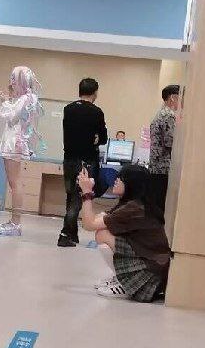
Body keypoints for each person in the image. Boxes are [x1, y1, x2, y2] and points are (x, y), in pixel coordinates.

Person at [77, 163, 171, 301]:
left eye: (121, 178)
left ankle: (126, 284)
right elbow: (94, 220)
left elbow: (89, 224)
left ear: (132, 184)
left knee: (102, 234)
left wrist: (86, 192)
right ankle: (122, 278)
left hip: (150, 275)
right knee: (103, 231)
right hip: (155, 268)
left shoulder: (134, 209)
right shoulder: (135, 205)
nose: (116, 180)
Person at [58, 78, 108, 247]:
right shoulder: (97, 112)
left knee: (71, 195)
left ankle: (72, 234)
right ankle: (65, 234)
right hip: (87, 160)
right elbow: (103, 138)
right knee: (79, 198)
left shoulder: (68, 109)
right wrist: (95, 138)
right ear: (95, 92)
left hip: (69, 159)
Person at [0, 65, 43, 237]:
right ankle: (14, 221)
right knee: (14, 183)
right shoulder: (27, 98)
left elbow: (11, 116)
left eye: (14, 81)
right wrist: (8, 100)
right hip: (14, 142)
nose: (12, 85)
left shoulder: (25, 99)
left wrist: (5, 101)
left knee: (15, 183)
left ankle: (16, 223)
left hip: (14, 142)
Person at [148, 84, 180, 223]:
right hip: (163, 168)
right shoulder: (169, 115)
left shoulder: (160, 114)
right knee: (160, 206)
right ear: (173, 97)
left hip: (156, 167)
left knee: (156, 204)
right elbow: (171, 142)